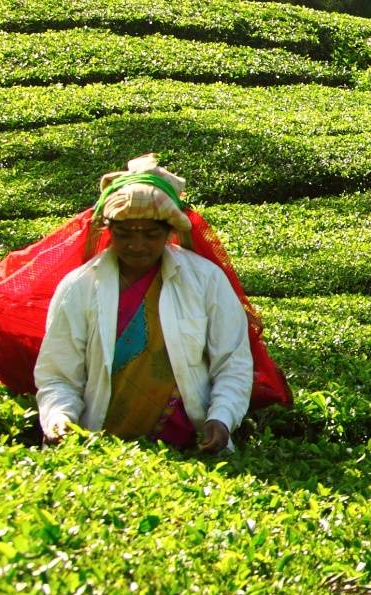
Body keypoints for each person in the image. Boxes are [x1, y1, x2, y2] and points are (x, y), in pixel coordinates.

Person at [34, 156, 255, 452]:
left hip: (192, 448)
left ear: (169, 232)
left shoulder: (205, 280)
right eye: (124, 234)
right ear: (110, 231)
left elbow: (232, 361)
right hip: (103, 451)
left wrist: (222, 418)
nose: (136, 246)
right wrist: (59, 417)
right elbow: (58, 373)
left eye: (151, 235)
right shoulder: (80, 286)